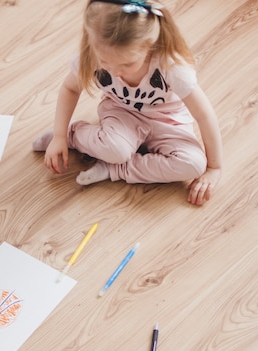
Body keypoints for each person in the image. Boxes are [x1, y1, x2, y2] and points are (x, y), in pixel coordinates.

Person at [33, 0, 223, 206]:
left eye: (127, 64)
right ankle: (73, 136)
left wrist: (214, 168)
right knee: (116, 150)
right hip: (122, 112)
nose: (114, 72)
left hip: (167, 121)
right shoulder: (92, 55)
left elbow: (204, 116)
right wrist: (60, 136)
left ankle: (115, 169)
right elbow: (70, 88)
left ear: (150, 46)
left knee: (193, 165)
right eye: (105, 62)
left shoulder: (172, 67)